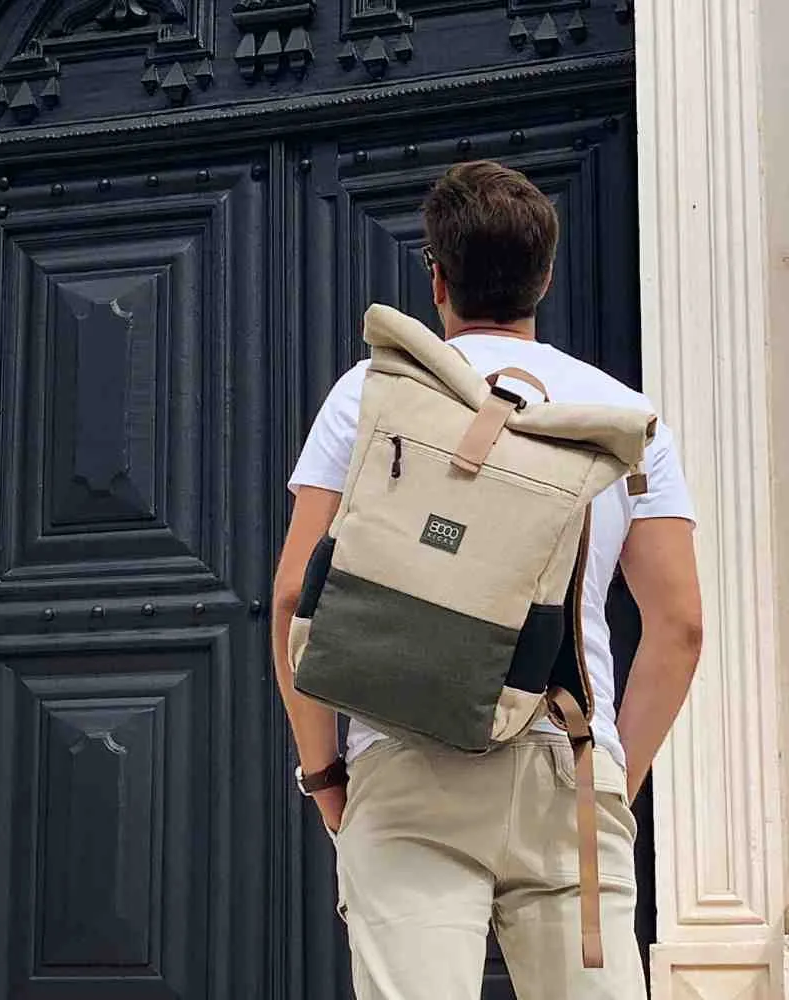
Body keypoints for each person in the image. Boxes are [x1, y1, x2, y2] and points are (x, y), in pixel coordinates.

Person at [271, 161, 703, 999]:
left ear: (435, 274)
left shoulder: (371, 392)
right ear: (544, 276)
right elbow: (678, 626)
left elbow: (296, 595)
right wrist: (607, 780)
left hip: (405, 752)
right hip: (567, 759)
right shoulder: (624, 418)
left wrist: (325, 778)